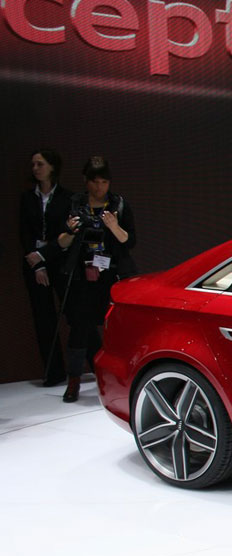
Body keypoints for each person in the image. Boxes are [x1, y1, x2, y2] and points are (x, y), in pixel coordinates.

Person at [57, 156, 136, 402]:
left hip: (112, 274)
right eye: (94, 181)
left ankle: (122, 380)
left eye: (104, 181)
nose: (99, 186)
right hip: (82, 275)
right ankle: (74, 381)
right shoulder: (75, 204)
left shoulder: (118, 204)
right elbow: (61, 243)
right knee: (79, 328)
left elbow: (129, 241)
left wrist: (113, 225)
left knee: (116, 328)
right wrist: (71, 230)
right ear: (86, 181)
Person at [19, 149, 73, 387]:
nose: (35, 169)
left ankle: (86, 367)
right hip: (34, 263)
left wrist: (45, 255)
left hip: (59, 261)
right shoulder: (27, 198)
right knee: (43, 318)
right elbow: (24, 233)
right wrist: (37, 263)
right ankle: (54, 372)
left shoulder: (66, 197)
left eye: (40, 164)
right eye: (33, 164)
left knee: (73, 314)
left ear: (52, 167)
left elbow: (66, 234)